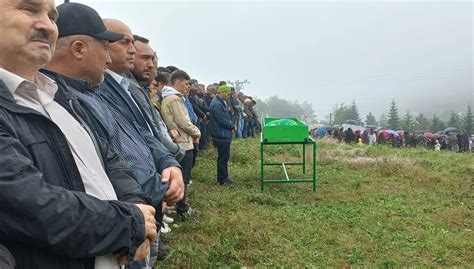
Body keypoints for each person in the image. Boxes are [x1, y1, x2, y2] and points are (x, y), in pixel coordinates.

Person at [0, 1, 157, 268]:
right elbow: (30, 205)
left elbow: (113, 161)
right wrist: (129, 224)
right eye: (28, 9)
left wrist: (140, 214)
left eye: (51, 16)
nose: (47, 25)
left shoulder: (62, 97)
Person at [161, 70, 201, 220]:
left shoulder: (169, 98)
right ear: (177, 83)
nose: (188, 87)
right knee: (183, 178)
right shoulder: (174, 99)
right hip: (183, 143)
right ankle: (182, 209)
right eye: (185, 84)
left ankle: (178, 206)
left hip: (180, 141)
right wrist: (196, 132)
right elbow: (183, 121)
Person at [209, 85, 235, 186]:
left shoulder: (219, 102)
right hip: (221, 134)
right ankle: (222, 180)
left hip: (222, 133)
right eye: (227, 94)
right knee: (223, 158)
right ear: (222, 93)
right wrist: (232, 126)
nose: (228, 96)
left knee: (224, 157)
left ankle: (224, 177)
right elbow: (222, 120)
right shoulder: (217, 104)